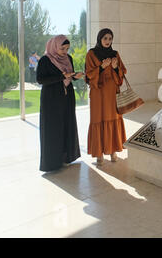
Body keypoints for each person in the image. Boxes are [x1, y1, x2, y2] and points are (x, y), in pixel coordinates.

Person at [37, 35, 83, 172]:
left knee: (67, 125)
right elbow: (41, 80)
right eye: (62, 48)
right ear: (55, 46)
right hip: (51, 99)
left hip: (67, 97)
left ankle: (66, 157)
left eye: (67, 48)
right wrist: (62, 76)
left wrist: (75, 76)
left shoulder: (68, 59)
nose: (65, 51)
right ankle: (52, 162)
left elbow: (69, 76)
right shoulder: (45, 60)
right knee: (53, 129)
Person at [85, 28, 127, 166]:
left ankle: (113, 150)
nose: (108, 41)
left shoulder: (115, 54)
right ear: (99, 39)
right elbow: (88, 76)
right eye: (105, 38)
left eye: (110, 38)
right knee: (98, 119)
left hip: (112, 93)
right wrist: (101, 67)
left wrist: (115, 67)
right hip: (98, 93)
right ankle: (99, 154)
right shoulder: (91, 54)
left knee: (113, 118)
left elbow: (121, 76)